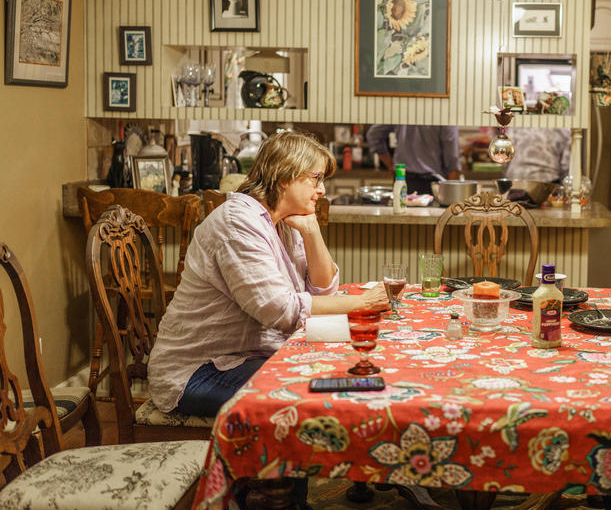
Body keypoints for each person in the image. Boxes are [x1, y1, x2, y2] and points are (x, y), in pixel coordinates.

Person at [149, 131, 388, 417]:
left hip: (245, 358)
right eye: (316, 178)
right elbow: (279, 310)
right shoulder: (237, 223)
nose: (322, 189)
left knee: (340, 373)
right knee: (320, 398)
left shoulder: (281, 221)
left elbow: (323, 290)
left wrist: (311, 230)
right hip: (197, 373)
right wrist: (361, 303)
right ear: (285, 176)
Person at [366, 124, 460, 194]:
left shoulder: (401, 107)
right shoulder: (444, 113)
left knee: (401, 216)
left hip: (403, 180)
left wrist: (390, 164)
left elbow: (373, 134)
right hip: (433, 184)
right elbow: (452, 159)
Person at [504, 127, 570, 183]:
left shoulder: (516, 126)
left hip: (514, 180)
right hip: (546, 183)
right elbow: (566, 166)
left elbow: (505, 158)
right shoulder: (563, 130)